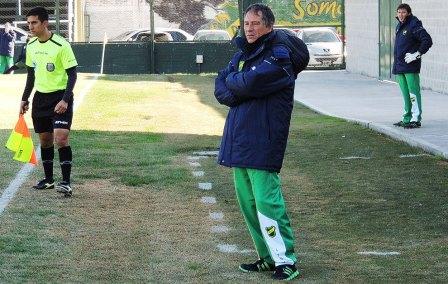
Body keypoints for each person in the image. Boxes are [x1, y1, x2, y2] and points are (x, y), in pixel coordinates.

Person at [214, 3, 309, 281]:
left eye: (255, 23)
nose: (250, 29)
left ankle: (285, 259)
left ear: (268, 25)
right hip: (239, 140)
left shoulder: (280, 55)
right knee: (249, 204)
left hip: (262, 141)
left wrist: (236, 83)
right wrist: (236, 83)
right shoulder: (245, 52)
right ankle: (267, 257)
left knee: (267, 204)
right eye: (246, 24)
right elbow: (221, 87)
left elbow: (251, 84)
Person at [19, 6, 78, 197]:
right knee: (45, 141)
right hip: (40, 99)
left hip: (60, 96)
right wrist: (25, 98)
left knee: (60, 138)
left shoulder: (62, 45)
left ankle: (66, 183)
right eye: (28, 23)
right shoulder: (31, 45)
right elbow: (30, 76)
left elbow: (73, 75)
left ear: (45, 23)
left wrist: (65, 100)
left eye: (34, 22)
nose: (30, 26)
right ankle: (49, 180)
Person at [392, 3, 432, 129]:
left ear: (408, 13)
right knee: (405, 94)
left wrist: (417, 54)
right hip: (399, 66)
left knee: (413, 93)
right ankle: (407, 118)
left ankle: (416, 119)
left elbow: (427, 40)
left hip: (410, 66)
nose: (401, 14)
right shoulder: (399, 26)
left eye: (403, 12)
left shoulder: (414, 24)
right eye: (399, 12)